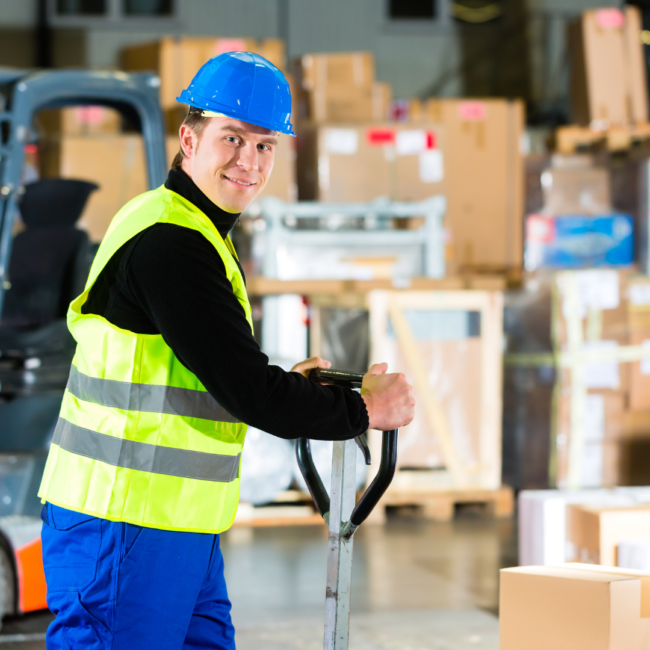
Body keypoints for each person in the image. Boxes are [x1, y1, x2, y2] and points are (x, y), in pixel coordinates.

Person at [37, 52, 415, 649]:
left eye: (264, 146)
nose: (249, 161)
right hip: (125, 524)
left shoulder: (194, 230)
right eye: (232, 138)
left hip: (176, 524)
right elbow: (245, 388)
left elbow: (208, 371)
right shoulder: (172, 244)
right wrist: (365, 413)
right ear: (189, 138)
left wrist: (296, 385)